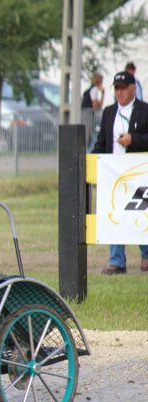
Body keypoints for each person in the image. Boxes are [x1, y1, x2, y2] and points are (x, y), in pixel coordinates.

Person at [92, 71, 148, 274]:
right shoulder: (108, 112)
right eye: (116, 88)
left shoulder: (144, 110)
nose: (120, 92)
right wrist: (92, 163)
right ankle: (117, 260)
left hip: (138, 174)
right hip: (113, 174)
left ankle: (146, 255)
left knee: (141, 213)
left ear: (134, 88)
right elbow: (101, 142)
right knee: (114, 214)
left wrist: (134, 140)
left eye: (123, 88)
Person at [82, 72, 105, 149]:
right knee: (90, 134)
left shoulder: (87, 91)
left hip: (84, 114)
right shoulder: (94, 90)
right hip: (89, 114)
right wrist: (103, 94)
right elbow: (96, 106)